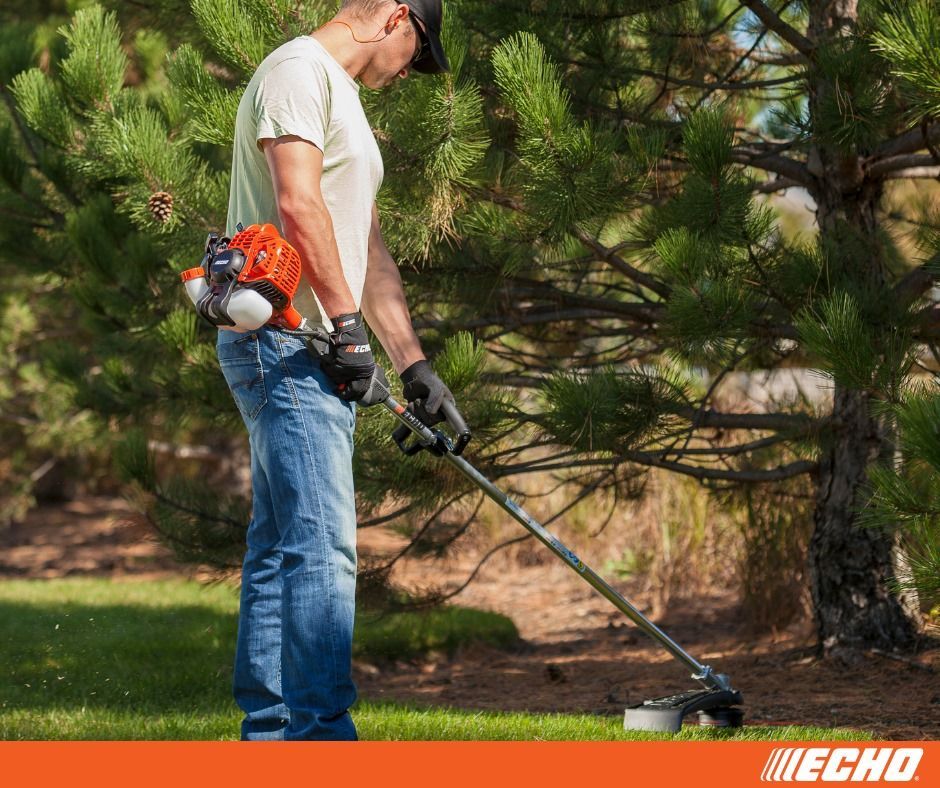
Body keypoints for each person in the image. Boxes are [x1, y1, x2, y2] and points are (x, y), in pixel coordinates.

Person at [217, 0, 459, 741]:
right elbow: (297, 204)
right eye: (420, 51)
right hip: (285, 342)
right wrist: (344, 328)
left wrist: (413, 364)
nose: (414, 70)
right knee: (322, 543)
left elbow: (365, 243)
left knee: (281, 543)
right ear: (394, 16)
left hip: (317, 343)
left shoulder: (339, 96)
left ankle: (273, 735)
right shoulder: (298, 70)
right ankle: (321, 740)